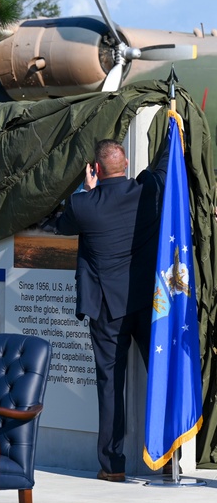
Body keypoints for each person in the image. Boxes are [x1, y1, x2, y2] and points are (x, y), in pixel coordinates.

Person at [56, 138, 168, 482]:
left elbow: (62, 225)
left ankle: (113, 465)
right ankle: (168, 452)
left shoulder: (84, 204)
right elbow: (164, 163)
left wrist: (88, 189)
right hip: (149, 304)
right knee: (161, 376)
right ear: (127, 164)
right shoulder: (147, 191)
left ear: (97, 170)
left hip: (107, 309)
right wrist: (172, 123)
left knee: (110, 385)